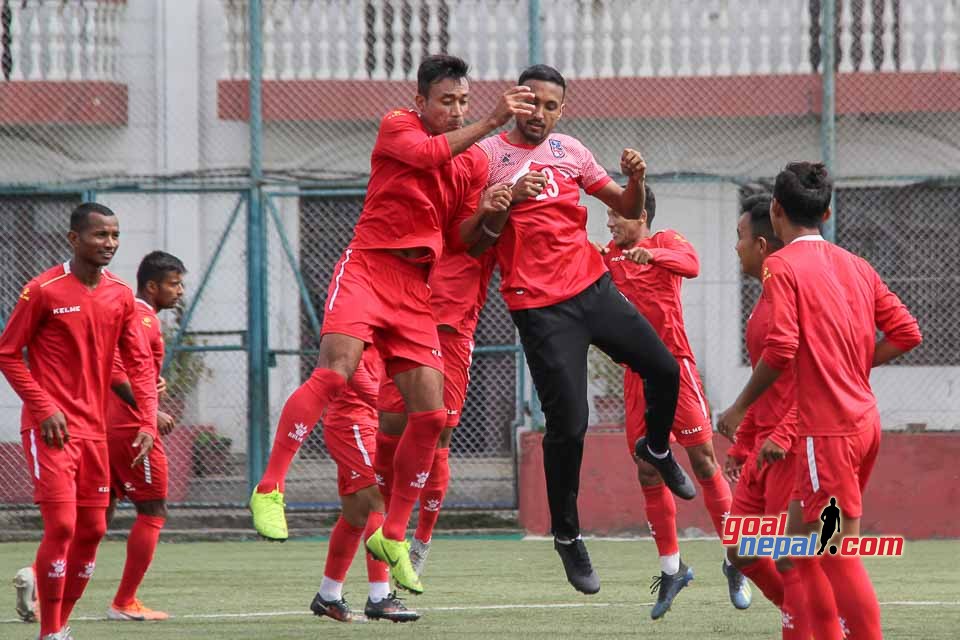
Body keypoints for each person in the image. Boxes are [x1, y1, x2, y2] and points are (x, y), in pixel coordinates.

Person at [249, 54, 529, 595]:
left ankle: (393, 537)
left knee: (431, 413)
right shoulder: (398, 125)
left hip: (413, 290)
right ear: (421, 101)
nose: (455, 110)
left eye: (463, 101)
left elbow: (460, 240)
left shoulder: (471, 165)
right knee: (335, 372)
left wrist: (495, 208)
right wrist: (492, 122)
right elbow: (427, 154)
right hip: (368, 267)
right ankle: (269, 487)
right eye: (446, 101)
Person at [474, 64, 693, 596]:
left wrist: (636, 178)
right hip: (541, 307)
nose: (542, 114)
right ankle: (568, 536)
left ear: (562, 110)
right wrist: (507, 201)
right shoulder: (487, 158)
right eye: (534, 104)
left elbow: (625, 207)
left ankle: (658, 448)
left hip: (592, 288)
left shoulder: (571, 151)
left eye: (553, 106)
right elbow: (476, 241)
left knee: (665, 369)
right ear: (516, 103)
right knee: (570, 424)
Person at [717, 163, 922, 640]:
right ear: (827, 212)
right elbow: (907, 333)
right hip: (864, 423)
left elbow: (783, 347)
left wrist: (739, 407)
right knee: (801, 550)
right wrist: (849, 369)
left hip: (824, 431)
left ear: (775, 209)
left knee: (829, 556)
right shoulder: (857, 265)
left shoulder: (782, 266)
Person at [0, 203, 159, 640]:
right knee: (64, 526)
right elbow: (8, 353)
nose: (109, 243)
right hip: (50, 429)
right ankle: (50, 632)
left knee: (93, 529)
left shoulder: (121, 295)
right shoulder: (43, 290)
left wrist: (146, 420)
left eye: (114, 235)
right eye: (99, 235)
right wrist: (43, 406)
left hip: (96, 432)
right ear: (74, 239)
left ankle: (62, 626)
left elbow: (140, 365)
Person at [600, 189, 749, 619]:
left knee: (703, 462)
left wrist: (653, 257)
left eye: (617, 215)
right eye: (607, 215)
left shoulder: (667, 240)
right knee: (647, 467)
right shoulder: (607, 256)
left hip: (675, 368)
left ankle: (734, 560)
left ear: (641, 215)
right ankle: (672, 568)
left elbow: (692, 266)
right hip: (635, 375)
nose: (610, 223)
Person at [375, 249, 497, 577]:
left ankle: (422, 540)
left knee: (439, 431)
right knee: (389, 424)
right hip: (406, 323)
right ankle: (386, 527)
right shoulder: (427, 208)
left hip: (452, 334)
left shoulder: (491, 212)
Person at [724, 194, 809, 639]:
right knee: (739, 549)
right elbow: (769, 383)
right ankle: (808, 612)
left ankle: (807, 618)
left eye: (739, 238)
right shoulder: (763, 299)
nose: (734, 246)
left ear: (760, 245)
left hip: (788, 449)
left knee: (787, 557)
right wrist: (743, 443)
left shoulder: (788, 295)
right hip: (760, 448)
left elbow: (814, 379)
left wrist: (784, 432)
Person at [101, 251, 185, 621]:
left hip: (107, 423)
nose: (179, 291)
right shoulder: (142, 316)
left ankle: (41, 580)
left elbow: (130, 366)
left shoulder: (139, 315)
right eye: (173, 284)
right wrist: (150, 411)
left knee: (99, 514)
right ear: (152, 286)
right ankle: (124, 602)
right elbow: (114, 367)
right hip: (131, 429)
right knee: (153, 509)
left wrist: (153, 381)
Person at [307, 346, 419, 623]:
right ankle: (380, 597)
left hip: (364, 421)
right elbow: (350, 367)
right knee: (378, 500)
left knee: (354, 515)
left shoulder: (386, 321)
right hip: (352, 423)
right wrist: (390, 404)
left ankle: (328, 595)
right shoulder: (359, 315)